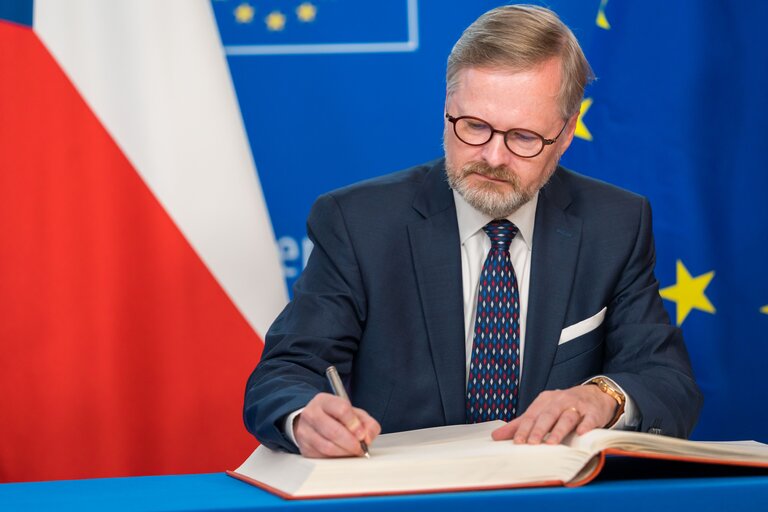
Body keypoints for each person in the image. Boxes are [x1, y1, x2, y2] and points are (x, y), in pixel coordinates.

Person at [244, 4, 702, 458]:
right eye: (474, 126)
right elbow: (287, 372)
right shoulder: (357, 223)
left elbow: (668, 381)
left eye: (523, 137)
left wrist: (603, 396)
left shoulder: (615, 223)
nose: (494, 157)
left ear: (565, 135)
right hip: (404, 497)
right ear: (447, 109)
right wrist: (305, 416)